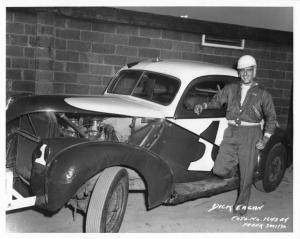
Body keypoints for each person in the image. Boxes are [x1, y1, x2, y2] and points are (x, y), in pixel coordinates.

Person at [194, 55, 277, 215]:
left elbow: (271, 118)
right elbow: (216, 101)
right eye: (242, 71)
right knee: (219, 169)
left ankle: (240, 206)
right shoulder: (231, 88)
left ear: (254, 71)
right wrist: (203, 105)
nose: (245, 74)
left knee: (247, 176)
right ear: (238, 73)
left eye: (248, 70)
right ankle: (235, 167)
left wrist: (265, 138)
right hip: (232, 132)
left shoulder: (263, 94)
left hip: (251, 134)